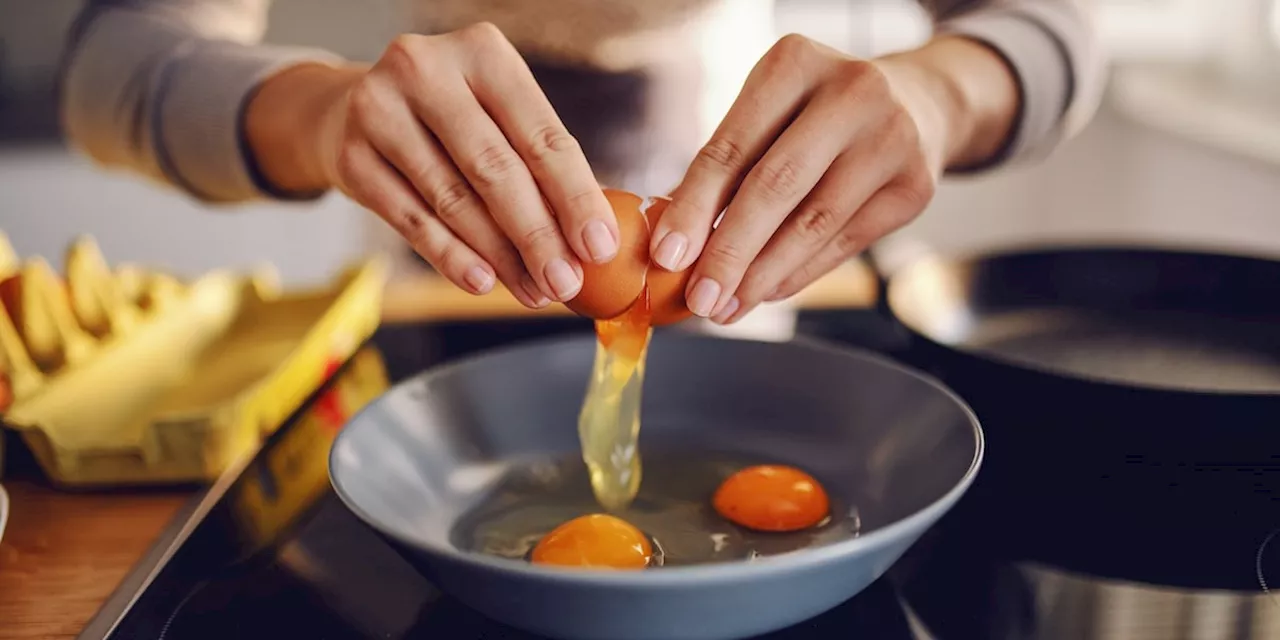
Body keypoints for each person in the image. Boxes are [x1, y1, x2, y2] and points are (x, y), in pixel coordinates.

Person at [59, 0, 1103, 325]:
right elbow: (108, 67)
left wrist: (936, 92)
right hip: (444, 253)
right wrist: (323, 114)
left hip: (745, 255)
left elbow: (1058, 33)